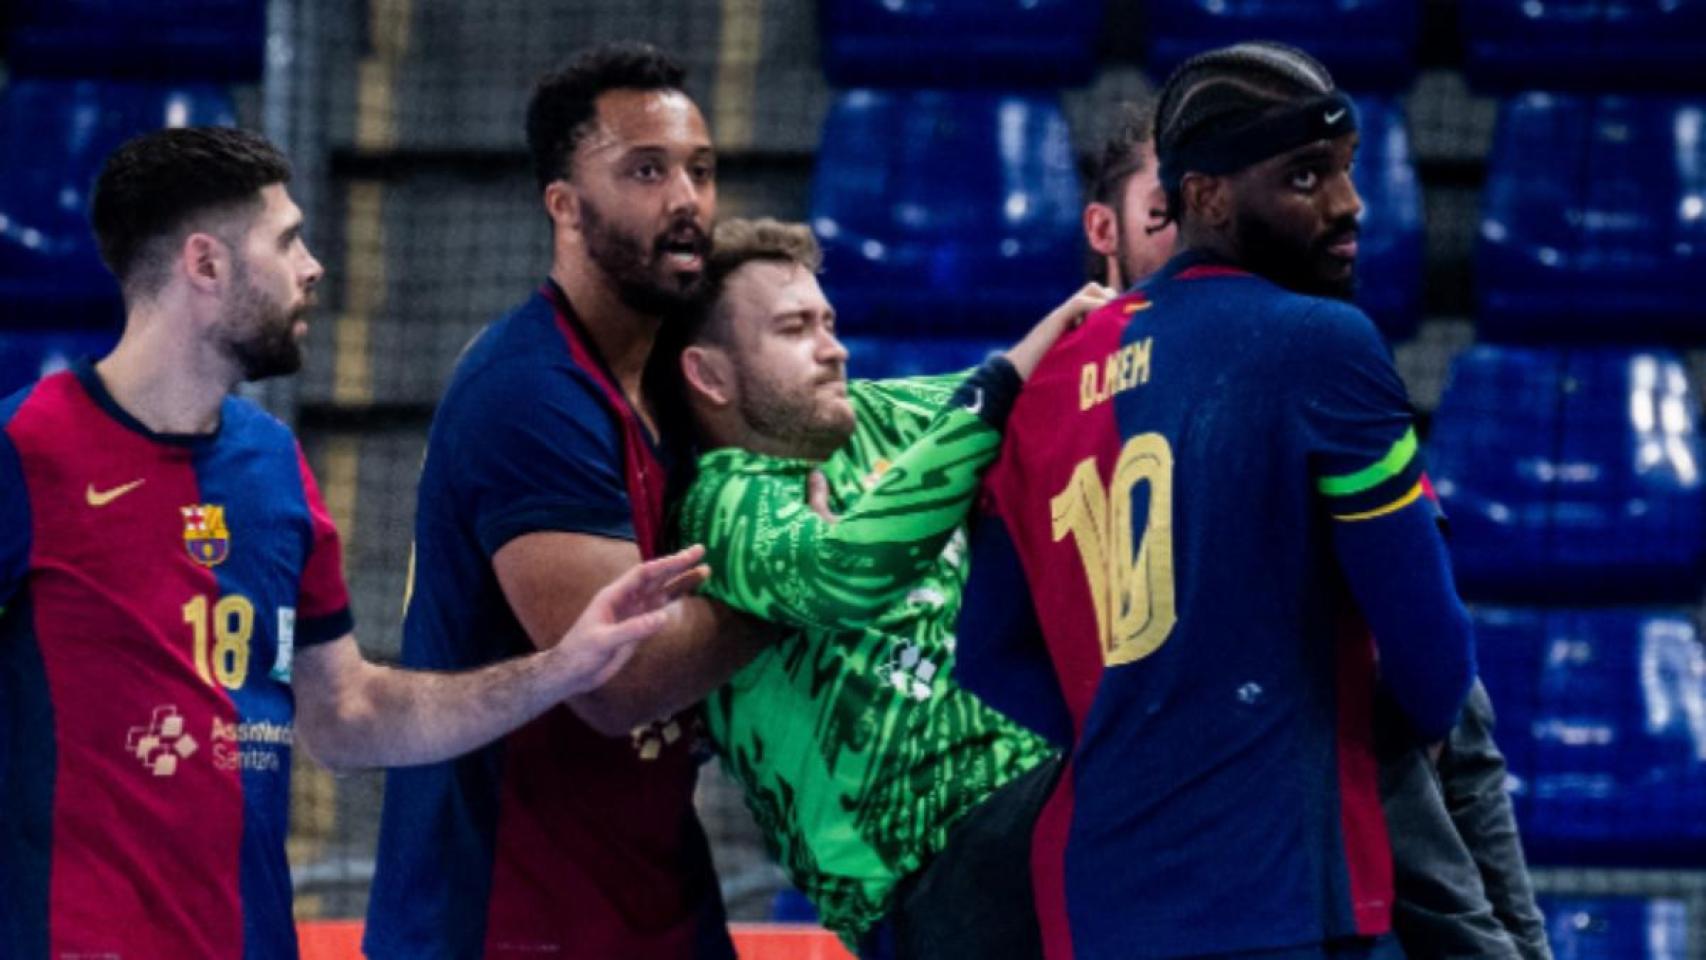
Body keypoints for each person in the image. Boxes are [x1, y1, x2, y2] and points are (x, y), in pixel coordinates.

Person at [0, 126, 703, 959]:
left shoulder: (271, 465)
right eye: (288, 239)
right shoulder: (27, 449)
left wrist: (562, 667)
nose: (313, 266)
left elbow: (348, 714)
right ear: (206, 264)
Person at [955, 42, 1477, 959]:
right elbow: (1432, 658)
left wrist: (1137, 718)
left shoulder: (1048, 379)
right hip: (1279, 894)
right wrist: (1351, 731)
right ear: (1207, 198)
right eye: (1306, 176)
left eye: (1347, 170)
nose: (1350, 205)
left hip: (1099, 901)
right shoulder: (1322, 344)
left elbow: (989, 655)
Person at [1077, 100, 1553, 960]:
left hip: (1346, 731)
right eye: (1163, 217)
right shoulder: (1061, 391)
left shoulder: (1297, 344)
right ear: (1106, 229)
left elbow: (1434, 653)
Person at [363, 43, 769, 959]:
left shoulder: (678, 380)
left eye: (700, 171)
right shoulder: (530, 393)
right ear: (564, 205)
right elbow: (618, 684)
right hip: (506, 917)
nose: (686, 200)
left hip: (650, 883)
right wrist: (816, 579)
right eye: (646, 170)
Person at [659, 218, 1110, 958]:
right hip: (927, 876)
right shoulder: (720, 504)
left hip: (1035, 801)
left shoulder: (871, 418)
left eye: (829, 322)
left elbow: (1042, 385)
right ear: (709, 376)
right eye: (794, 329)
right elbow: (845, 570)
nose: (833, 348)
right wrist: (996, 385)